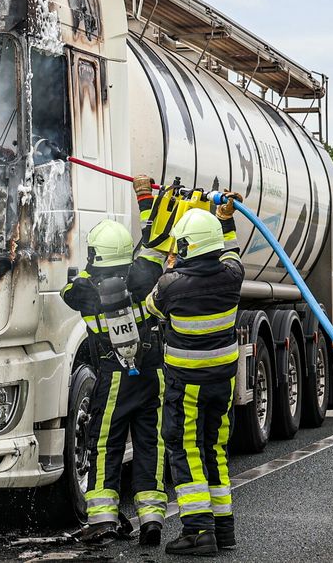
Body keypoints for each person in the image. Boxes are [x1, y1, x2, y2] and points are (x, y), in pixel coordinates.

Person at [61, 175, 168, 545]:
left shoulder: (86, 291)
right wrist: (145, 198)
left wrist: (95, 264)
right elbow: (155, 244)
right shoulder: (145, 276)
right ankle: (152, 518)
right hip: (152, 373)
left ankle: (103, 517)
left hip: (115, 374)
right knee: (149, 444)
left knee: (104, 442)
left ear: (95, 255)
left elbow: (69, 289)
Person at [144, 193, 244, 556]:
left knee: (185, 449)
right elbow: (231, 251)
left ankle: (198, 531)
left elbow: (151, 306)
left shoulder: (173, 284)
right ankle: (223, 528)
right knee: (215, 448)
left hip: (186, 384)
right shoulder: (233, 276)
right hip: (223, 381)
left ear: (188, 246)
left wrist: (169, 264)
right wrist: (226, 217)